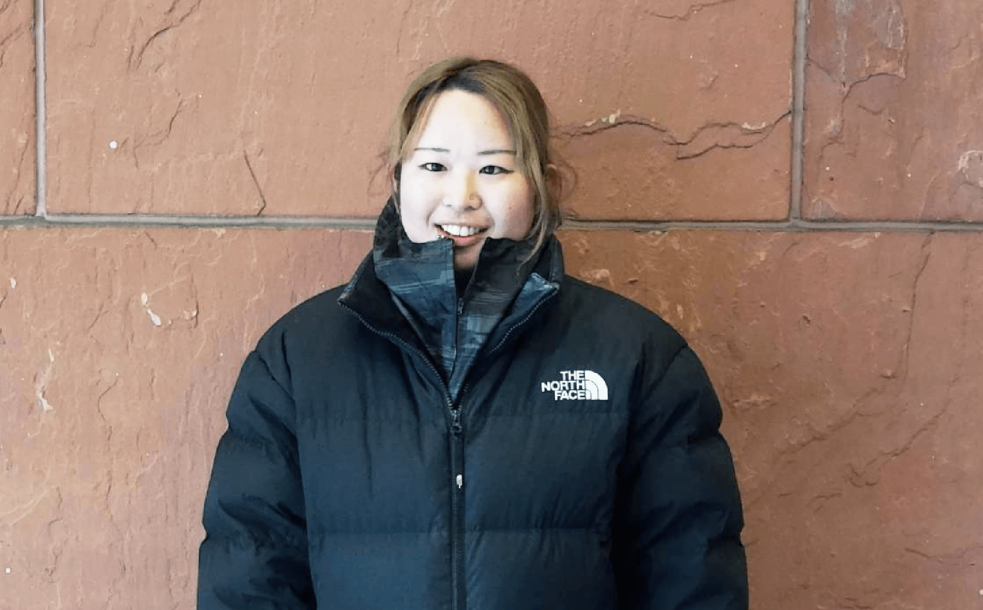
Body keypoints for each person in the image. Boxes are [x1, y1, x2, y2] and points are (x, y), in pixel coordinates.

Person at [198, 57, 748, 609]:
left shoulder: (638, 357)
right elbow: (250, 577)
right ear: (397, 180)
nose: (461, 196)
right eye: (434, 165)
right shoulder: (297, 361)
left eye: (493, 169)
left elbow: (692, 578)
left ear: (542, 185)